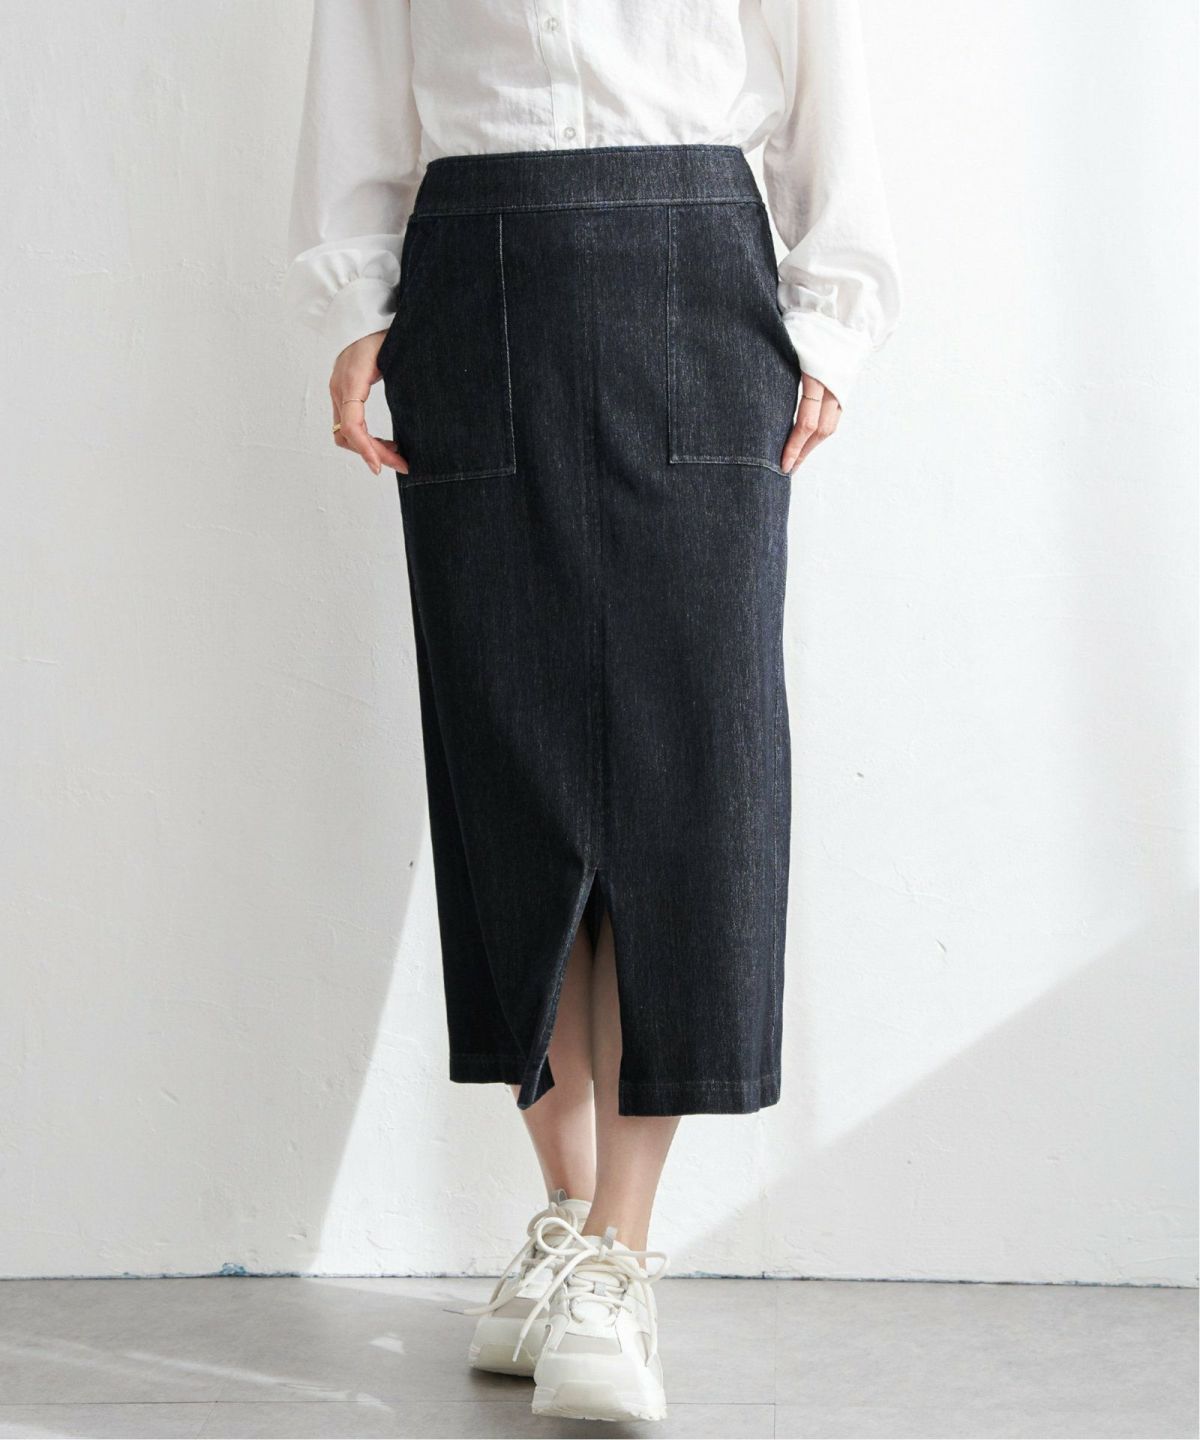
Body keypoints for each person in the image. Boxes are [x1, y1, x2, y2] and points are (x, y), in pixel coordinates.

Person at [286, 0, 901, 1423]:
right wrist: (356, 308)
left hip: (700, 280)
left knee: (688, 780)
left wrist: (832, 319)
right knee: (509, 769)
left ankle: (623, 1252)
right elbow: (361, 79)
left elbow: (825, 78)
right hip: (470, 287)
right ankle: (569, 1223)